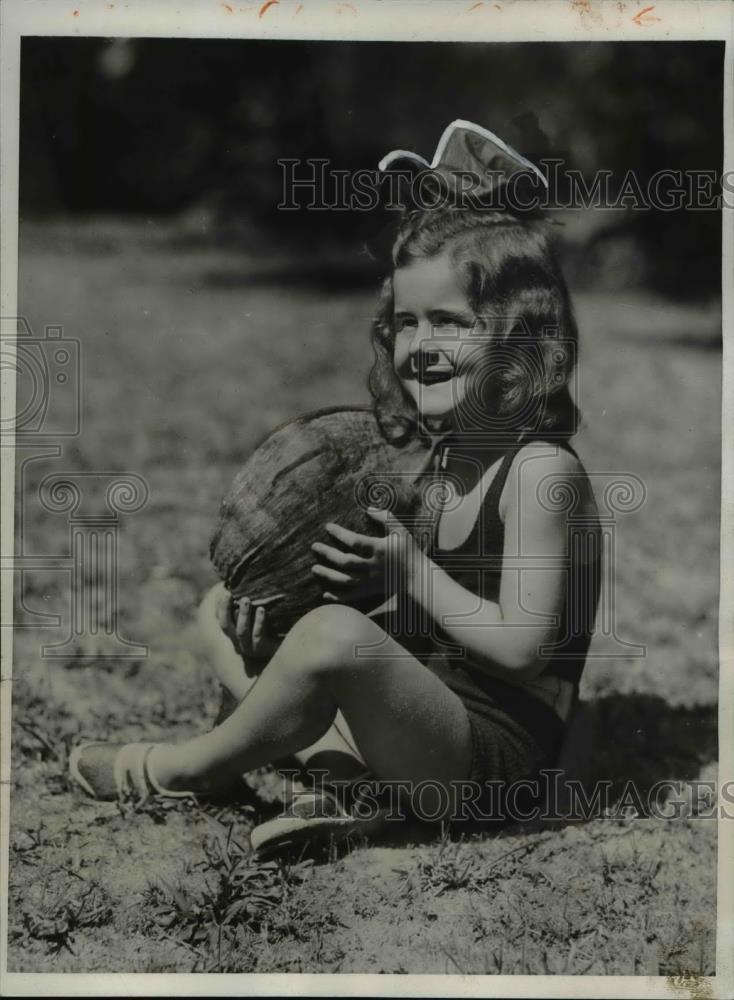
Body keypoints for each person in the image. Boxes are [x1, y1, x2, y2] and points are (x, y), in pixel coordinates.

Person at [70, 121, 601, 854]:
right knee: (221, 610)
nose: (419, 346)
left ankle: (190, 766)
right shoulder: (443, 463)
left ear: (520, 344)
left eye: (448, 321)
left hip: (491, 764)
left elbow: (518, 651)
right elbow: (421, 630)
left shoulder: (544, 473)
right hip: (428, 724)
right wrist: (306, 610)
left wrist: (402, 575)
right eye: (405, 323)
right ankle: (345, 783)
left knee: (332, 638)